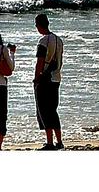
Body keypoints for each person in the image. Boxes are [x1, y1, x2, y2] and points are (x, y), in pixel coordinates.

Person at [33, 13, 64, 150]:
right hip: (56, 78)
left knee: (44, 111)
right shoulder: (59, 40)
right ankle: (59, 141)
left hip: (45, 79)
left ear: (39, 25)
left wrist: (36, 78)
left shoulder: (43, 41)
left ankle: (49, 142)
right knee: (53, 110)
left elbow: (40, 61)